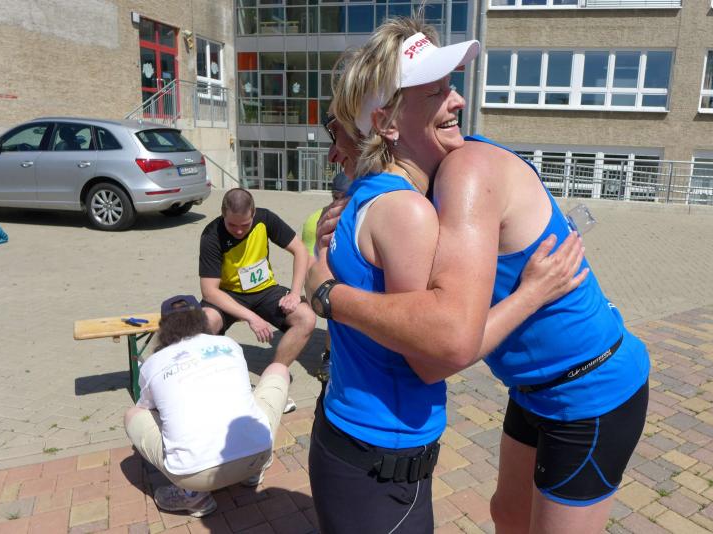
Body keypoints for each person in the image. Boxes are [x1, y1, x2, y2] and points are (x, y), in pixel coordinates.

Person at [307, 17, 650, 534]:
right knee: (507, 515)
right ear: (388, 122)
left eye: (451, 86)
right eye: (436, 92)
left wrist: (327, 293)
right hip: (531, 389)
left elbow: (443, 347)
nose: (458, 100)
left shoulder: (464, 171)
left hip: (591, 389)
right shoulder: (416, 187)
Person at [124, 295, 290, 517]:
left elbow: (147, 407)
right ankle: (253, 471)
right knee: (278, 369)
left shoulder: (152, 363)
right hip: (257, 454)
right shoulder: (229, 344)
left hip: (194, 476)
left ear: (164, 328)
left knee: (133, 414)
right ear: (202, 320)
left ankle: (193, 497)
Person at [199, 188, 316, 414]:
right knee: (205, 322)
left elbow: (300, 250)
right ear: (223, 214)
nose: (239, 231)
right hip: (228, 294)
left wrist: (294, 293)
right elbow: (209, 292)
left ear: (253, 213)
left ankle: (271, 383)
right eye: (232, 225)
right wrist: (252, 318)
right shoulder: (211, 235)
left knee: (306, 318)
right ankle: (219, 385)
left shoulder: (265, 219)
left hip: (264, 290)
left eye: (245, 224)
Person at [301, 172, 350, 383]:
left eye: (344, 197)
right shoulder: (317, 219)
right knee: (334, 307)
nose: (338, 203)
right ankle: (329, 358)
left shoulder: (365, 217)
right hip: (330, 275)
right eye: (335, 197)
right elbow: (309, 265)